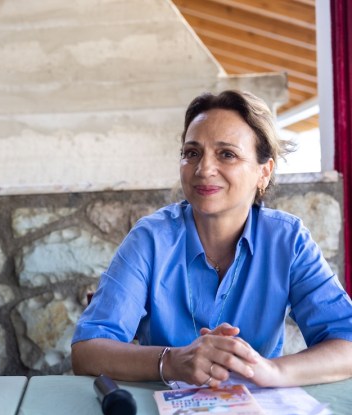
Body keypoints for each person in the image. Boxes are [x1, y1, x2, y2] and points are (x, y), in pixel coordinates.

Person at [71, 90, 352, 388]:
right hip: (161, 409)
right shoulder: (150, 239)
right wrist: (171, 361)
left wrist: (273, 371)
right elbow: (87, 351)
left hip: (261, 408)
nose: (203, 169)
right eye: (192, 153)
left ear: (264, 172)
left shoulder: (288, 240)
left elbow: (347, 342)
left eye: (227, 154)